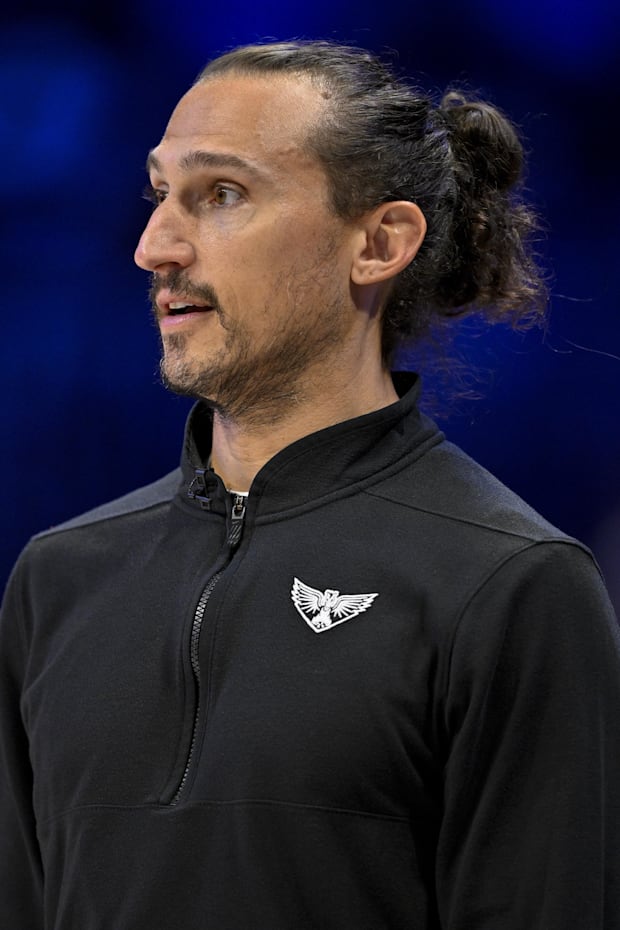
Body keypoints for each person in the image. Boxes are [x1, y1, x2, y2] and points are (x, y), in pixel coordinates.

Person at [1, 40, 619, 930]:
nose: (154, 247)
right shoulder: (57, 579)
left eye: (221, 194)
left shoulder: (510, 583)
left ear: (379, 242)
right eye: (159, 194)